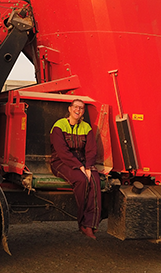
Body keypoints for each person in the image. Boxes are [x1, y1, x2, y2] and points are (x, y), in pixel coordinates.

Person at [50, 99, 101, 240]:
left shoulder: (86, 127)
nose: (78, 110)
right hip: (60, 162)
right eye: (76, 107)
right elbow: (62, 152)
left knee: (95, 180)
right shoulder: (59, 125)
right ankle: (81, 221)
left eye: (81, 108)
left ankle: (90, 225)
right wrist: (80, 167)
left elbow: (91, 149)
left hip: (83, 163)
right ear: (70, 108)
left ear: (83, 111)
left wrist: (89, 167)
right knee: (81, 180)